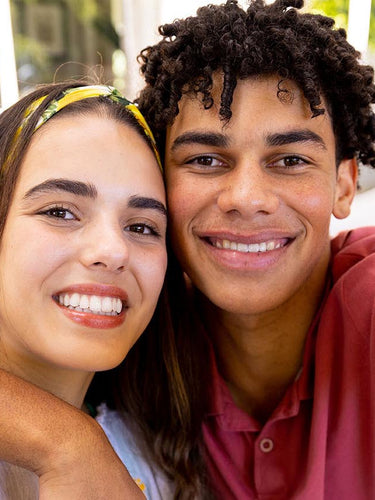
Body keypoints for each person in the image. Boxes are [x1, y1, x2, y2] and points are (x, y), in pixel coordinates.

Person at [0, 0, 375, 498]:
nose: (246, 198)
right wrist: (65, 441)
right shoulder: (130, 329)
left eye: (289, 159)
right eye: (204, 158)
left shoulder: (365, 300)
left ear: (345, 185)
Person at [0, 81, 176, 499]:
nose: (113, 251)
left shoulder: (151, 461)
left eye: (142, 227)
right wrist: (65, 442)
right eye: (60, 211)